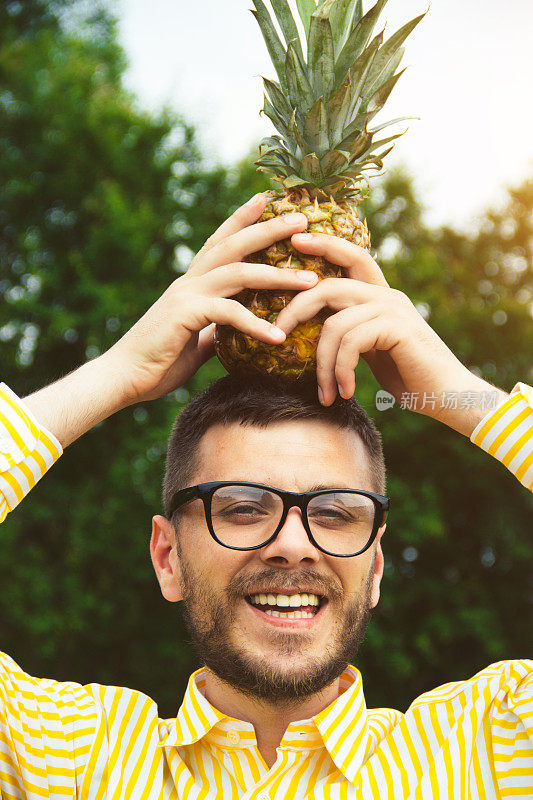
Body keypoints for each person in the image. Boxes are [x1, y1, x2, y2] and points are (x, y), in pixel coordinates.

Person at [0, 192, 531, 799]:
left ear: (377, 566)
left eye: (334, 512)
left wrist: (461, 396)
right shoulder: (62, 759)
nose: (292, 545)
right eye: (244, 507)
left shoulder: (488, 750)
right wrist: (117, 374)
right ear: (167, 556)